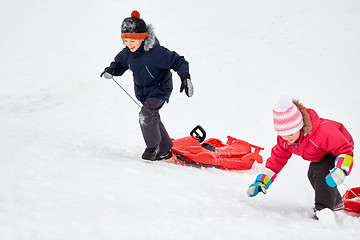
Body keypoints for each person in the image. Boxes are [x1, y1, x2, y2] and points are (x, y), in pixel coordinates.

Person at [100, 10, 193, 161]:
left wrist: (184, 76)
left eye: (133, 41)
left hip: (160, 88)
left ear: (142, 38)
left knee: (146, 115)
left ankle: (153, 147)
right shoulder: (128, 53)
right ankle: (165, 149)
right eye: (126, 41)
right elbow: (120, 63)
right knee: (152, 116)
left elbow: (178, 60)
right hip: (143, 91)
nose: (129, 45)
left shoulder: (156, 53)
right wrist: (113, 69)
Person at [246, 95, 354, 220]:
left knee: (322, 174)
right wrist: (261, 182)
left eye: (290, 134)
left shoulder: (321, 132)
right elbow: (276, 161)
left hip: (339, 148)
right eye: (282, 135)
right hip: (320, 154)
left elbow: (345, 149)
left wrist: (341, 169)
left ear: (300, 127)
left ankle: (323, 210)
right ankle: (336, 202)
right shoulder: (285, 141)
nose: (287, 138)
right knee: (312, 173)